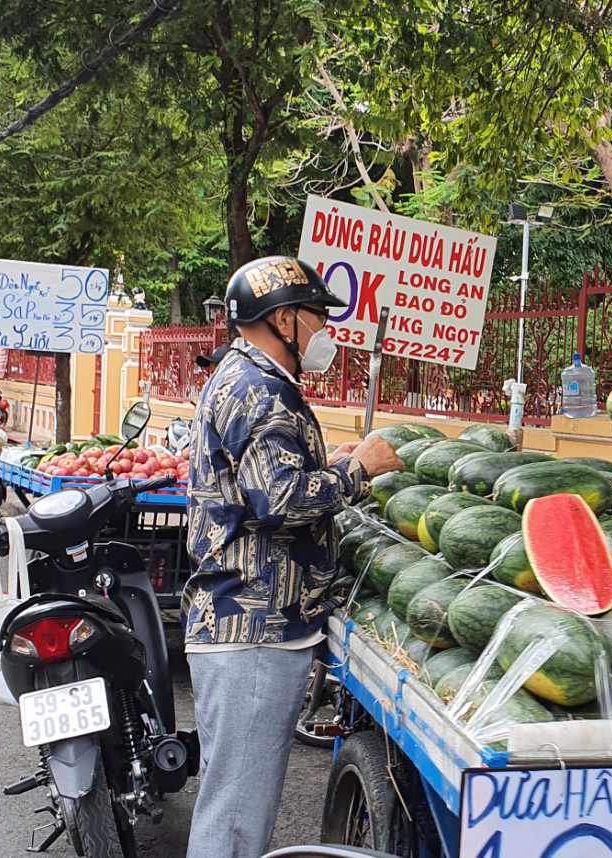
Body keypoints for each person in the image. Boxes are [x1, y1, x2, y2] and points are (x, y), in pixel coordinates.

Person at [183, 256, 404, 858]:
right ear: (283, 319)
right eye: (315, 316)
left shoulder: (237, 375)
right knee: (233, 819)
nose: (323, 330)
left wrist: (326, 465)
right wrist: (360, 471)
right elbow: (278, 499)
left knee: (231, 805)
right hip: (252, 629)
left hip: (238, 621)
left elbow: (265, 477)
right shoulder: (262, 390)